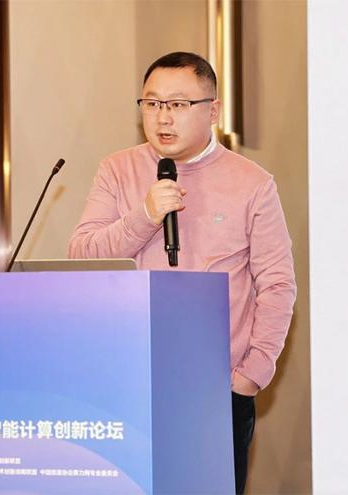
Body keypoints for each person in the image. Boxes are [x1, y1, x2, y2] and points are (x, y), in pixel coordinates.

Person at [68, 51, 296, 494]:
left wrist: (252, 373)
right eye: (152, 103)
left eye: (178, 104)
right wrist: (144, 216)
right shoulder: (117, 170)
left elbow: (277, 284)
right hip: (125, 376)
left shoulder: (252, 182)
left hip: (215, 389)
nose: (162, 117)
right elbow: (81, 255)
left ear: (212, 111)